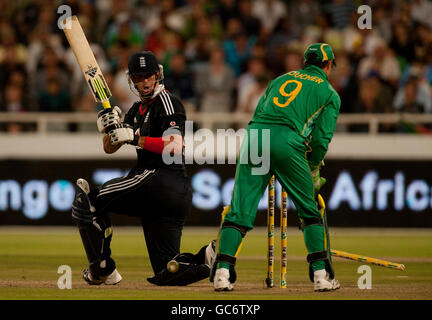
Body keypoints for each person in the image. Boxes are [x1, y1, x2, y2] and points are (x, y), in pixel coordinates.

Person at [71, 51, 214, 286]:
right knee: (166, 271)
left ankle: (102, 268)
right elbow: (110, 148)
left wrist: (135, 139)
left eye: (148, 76)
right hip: (162, 193)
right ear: (132, 80)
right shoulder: (136, 109)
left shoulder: (167, 101)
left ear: (157, 75)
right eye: (139, 77)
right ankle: (209, 255)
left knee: (88, 201)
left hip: (161, 178)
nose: (144, 82)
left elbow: (175, 146)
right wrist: (110, 128)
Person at [211, 43, 341, 292]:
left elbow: (259, 113)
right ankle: (321, 276)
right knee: (309, 210)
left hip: (256, 136)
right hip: (287, 141)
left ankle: (222, 273)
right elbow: (321, 140)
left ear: (306, 63)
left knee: (239, 211)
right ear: (328, 65)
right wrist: (312, 167)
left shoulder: (280, 79)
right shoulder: (329, 93)